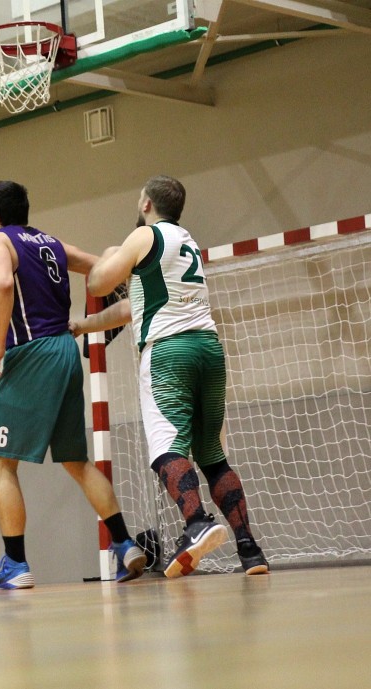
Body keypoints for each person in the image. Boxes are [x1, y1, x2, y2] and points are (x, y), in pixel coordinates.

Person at [73, 175, 268, 577]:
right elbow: (132, 308)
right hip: (208, 350)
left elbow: (97, 281)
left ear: (146, 203)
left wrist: (108, 257)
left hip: (168, 352)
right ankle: (250, 550)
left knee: (166, 449)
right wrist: (85, 325)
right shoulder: (186, 240)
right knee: (212, 456)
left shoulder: (144, 235)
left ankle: (196, 524)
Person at [0, 181, 146, 589]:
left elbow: (4, 283)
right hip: (66, 351)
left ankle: (15, 564)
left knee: (1, 462)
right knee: (76, 460)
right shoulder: (52, 244)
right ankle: (124, 543)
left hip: (32, 354)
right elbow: (105, 267)